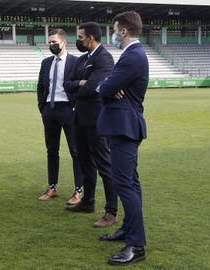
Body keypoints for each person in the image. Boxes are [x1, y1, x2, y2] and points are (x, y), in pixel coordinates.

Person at [96, 11, 149, 266]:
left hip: (124, 128)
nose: (114, 34)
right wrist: (107, 86)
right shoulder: (131, 56)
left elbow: (105, 88)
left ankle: (136, 245)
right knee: (130, 183)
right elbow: (109, 87)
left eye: (115, 30)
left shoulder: (133, 57)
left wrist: (104, 87)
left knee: (124, 185)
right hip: (123, 126)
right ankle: (129, 231)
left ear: (124, 31)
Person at [63, 22, 118, 228]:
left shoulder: (104, 58)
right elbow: (67, 84)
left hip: (97, 120)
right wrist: (79, 83)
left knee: (104, 165)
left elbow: (92, 89)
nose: (77, 40)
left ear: (91, 38)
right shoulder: (84, 59)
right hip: (79, 119)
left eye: (80, 37)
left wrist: (80, 85)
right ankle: (88, 202)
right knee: (85, 163)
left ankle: (111, 212)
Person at [36, 29, 83, 205]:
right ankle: (52, 188)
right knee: (51, 151)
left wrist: (75, 107)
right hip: (49, 110)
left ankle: (79, 190)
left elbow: (80, 87)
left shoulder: (76, 62)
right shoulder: (46, 62)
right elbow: (41, 86)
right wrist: (42, 107)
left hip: (68, 110)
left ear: (64, 42)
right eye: (49, 42)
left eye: (54, 42)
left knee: (76, 151)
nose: (51, 45)